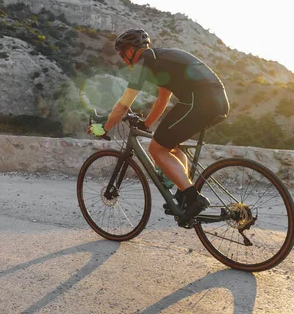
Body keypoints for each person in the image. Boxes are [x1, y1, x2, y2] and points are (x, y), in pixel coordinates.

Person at [88, 28, 230, 226]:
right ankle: (183, 195)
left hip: (199, 100)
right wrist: (147, 124)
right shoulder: (159, 61)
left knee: (156, 149)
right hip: (216, 100)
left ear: (131, 50)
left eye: (122, 53)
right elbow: (163, 98)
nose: (122, 59)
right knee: (171, 146)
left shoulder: (144, 61)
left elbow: (123, 104)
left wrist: (105, 127)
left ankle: (193, 198)